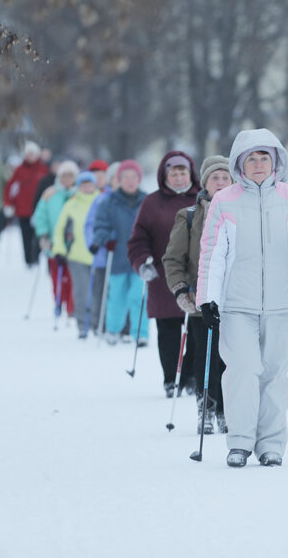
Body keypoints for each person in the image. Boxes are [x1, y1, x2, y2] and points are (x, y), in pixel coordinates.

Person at [195, 128, 288, 468]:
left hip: (284, 304)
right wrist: (208, 298)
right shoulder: (225, 201)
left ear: (275, 160)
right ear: (240, 162)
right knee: (242, 370)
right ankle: (239, 441)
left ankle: (271, 444)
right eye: (251, 158)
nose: (258, 164)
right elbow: (213, 254)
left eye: (264, 157)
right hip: (237, 304)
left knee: (274, 374)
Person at [163, 155, 233, 435]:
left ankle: (227, 411)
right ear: (204, 182)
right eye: (214, 178)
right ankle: (206, 407)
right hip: (201, 298)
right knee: (206, 356)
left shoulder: (243, 212)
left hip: (237, 299)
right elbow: (173, 259)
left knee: (231, 359)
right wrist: (181, 290)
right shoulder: (189, 215)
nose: (220, 182)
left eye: (225, 177)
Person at [127, 151, 201, 398]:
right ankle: (171, 379)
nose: (179, 177)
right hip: (163, 277)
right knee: (168, 331)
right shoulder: (152, 203)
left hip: (197, 277)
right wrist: (142, 262)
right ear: (164, 175)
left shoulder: (203, 199)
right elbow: (137, 240)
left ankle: (191, 376)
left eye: (183, 172)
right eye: (174, 173)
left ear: (191, 174)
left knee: (195, 330)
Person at [92, 160, 150, 345]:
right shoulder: (109, 202)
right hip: (117, 256)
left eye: (134, 177)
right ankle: (113, 330)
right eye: (126, 177)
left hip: (140, 258)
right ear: (119, 179)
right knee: (116, 297)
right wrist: (105, 238)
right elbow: (100, 226)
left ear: (139, 179)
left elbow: (155, 226)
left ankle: (140, 333)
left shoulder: (147, 201)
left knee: (138, 296)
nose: (130, 181)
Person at [52, 171, 100, 338]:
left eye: (90, 184)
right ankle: (82, 325)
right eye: (83, 184)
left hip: (98, 255)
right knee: (81, 292)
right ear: (79, 186)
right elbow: (60, 229)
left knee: (97, 293)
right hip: (76, 255)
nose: (87, 187)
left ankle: (96, 323)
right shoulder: (71, 204)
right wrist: (59, 249)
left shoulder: (101, 201)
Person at [33, 160, 80, 321]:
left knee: (73, 276)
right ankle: (59, 301)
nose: (67, 178)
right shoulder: (50, 193)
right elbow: (40, 215)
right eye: (64, 175)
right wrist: (43, 234)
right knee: (57, 276)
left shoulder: (80, 193)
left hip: (76, 245)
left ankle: (71, 307)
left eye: (71, 175)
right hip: (54, 242)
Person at [84, 162, 120, 336]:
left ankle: (121, 326)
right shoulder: (101, 199)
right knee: (100, 289)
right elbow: (91, 224)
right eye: (116, 178)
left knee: (119, 292)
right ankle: (97, 323)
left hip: (123, 256)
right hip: (103, 253)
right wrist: (94, 243)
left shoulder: (133, 201)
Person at [3, 141, 49, 267]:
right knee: (26, 235)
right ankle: (28, 259)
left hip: (39, 209)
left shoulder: (43, 169)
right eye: (28, 154)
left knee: (38, 234)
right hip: (23, 209)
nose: (31, 156)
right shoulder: (19, 170)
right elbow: (10, 188)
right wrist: (8, 204)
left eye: (33, 154)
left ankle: (36, 257)